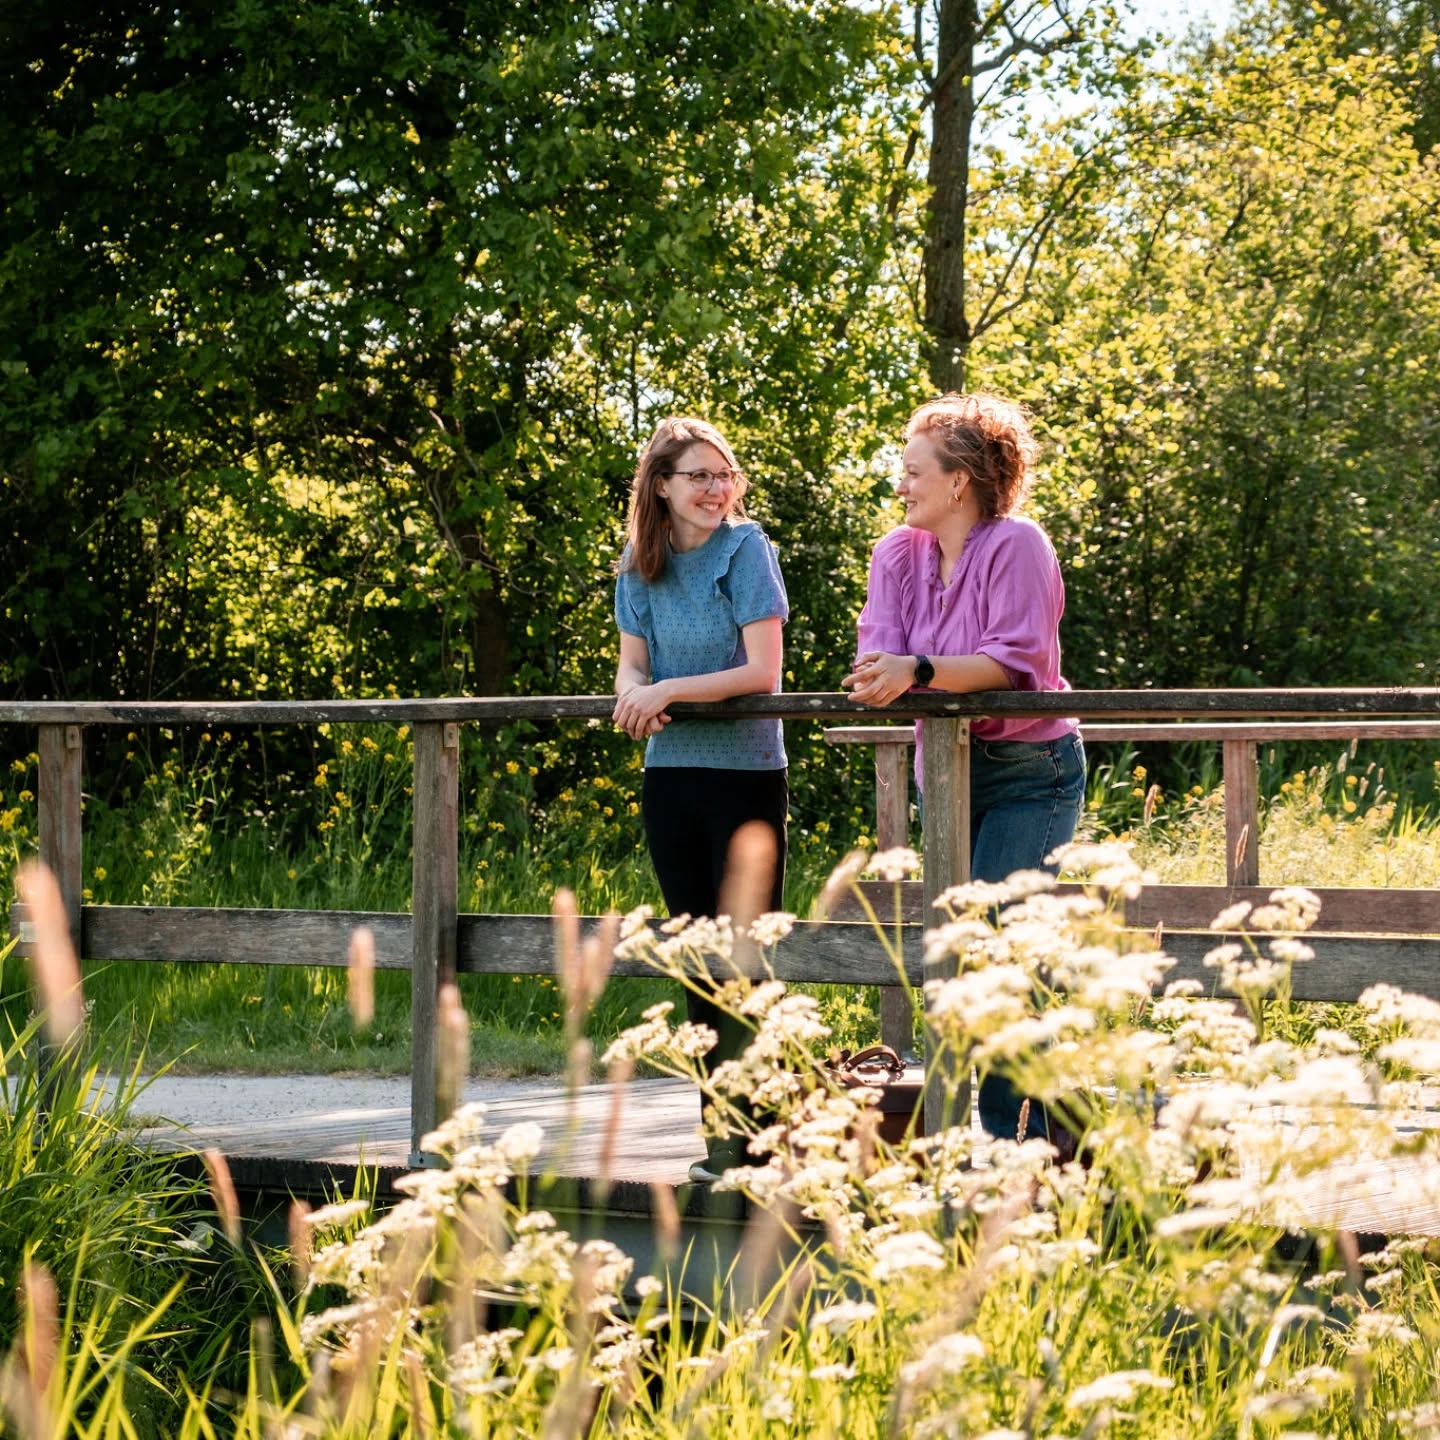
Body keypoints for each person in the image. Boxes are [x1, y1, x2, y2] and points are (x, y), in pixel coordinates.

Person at [841, 391, 1085, 1148]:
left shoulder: (1019, 546)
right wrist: (902, 673)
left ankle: (1011, 1139)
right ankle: (1057, 1131)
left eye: (914, 471)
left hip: (1029, 768)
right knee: (962, 954)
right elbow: (876, 664)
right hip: (942, 772)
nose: (901, 486)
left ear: (960, 481)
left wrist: (916, 668)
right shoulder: (896, 554)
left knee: (999, 954)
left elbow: (1016, 668)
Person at [613, 416, 789, 1181]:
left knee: (745, 956)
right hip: (670, 777)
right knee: (694, 959)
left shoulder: (746, 550)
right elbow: (630, 668)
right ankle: (720, 1140)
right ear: (661, 486)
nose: (719, 489)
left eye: (726, 475)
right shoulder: (638, 565)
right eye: (700, 477)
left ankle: (768, 1141)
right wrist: (633, 700)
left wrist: (668, 691)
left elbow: (763, 673)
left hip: (746, 775)